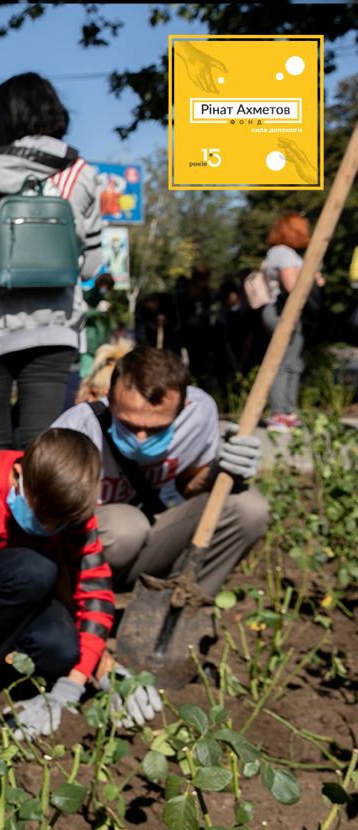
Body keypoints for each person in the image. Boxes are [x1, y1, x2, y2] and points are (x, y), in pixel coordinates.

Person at [0, 428, 159, 774]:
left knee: (62, 648)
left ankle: (2, 666)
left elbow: (95, 594)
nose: (48, 526)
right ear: (18, 474)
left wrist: (81, 681)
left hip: (19, 587)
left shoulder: (70, 505)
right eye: (42, 517)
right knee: (33, 570)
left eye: (58, 523)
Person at [0, 72, 104, 454]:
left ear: (3, 117)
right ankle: (34, 514)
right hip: (54, 328)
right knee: (40, 449)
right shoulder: (83, 175)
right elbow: (89, 265)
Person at [52, 347, 269, 599]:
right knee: (127, 526)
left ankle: (183, 602)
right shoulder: (77, 428)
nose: (141, 439)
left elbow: (188, 485)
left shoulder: (198, 414)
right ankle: (83, 604)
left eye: (156, 429)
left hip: (152, 541)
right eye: (129, 425)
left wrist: (219, 471)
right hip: (84, 556)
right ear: (109, 399)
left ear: (182, 408)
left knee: (248, 508)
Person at [261, 213, 322, 432]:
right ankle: (279, 413)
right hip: (282, 312)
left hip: (290, 313)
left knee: (292, 362)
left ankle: (288, 411)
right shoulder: (282, 253)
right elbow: (292, 286)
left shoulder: (283, 253)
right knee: (283, 361)